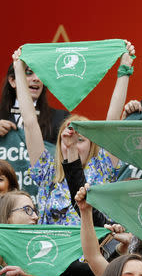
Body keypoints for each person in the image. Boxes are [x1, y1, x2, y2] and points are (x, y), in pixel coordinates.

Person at [11, 45, 134, 225]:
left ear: (93, 145)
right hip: (53, 251)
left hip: (92, 251)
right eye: (67, 137)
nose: (72, 142)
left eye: (81, 139)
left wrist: (124, 69)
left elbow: (112, 123)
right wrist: (19, 69)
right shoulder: (47, 171)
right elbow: (30, 123)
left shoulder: (102, 168)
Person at [0, 61, 68, 143]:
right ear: (12, 81)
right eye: (28, 73)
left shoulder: (61, 118)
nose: (37, 79)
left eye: (40, 74)